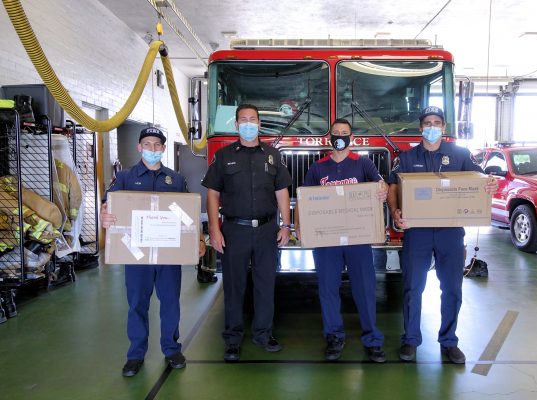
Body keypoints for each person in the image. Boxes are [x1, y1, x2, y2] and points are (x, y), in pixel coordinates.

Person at [386, 106, 498, 364]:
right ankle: (411, 340)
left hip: (450, 232)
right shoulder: (406, 157)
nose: (432, 126)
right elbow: (392, 187)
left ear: (444, 127)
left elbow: (480, 180)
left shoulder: (460, 155)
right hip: (417, 233)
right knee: (413, 287)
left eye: (437, 122)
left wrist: (490, 182)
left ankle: (449, 342)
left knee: (452, 288)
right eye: (428, 122)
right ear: (421, 127)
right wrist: (395, 211)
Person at [100, 127, 206, 377]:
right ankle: (135, 354)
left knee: (170, 302)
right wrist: (105, 215)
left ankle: (171, 349)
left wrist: (199, 239)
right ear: (140, 148)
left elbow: (188, 214)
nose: (152, 149)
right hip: (136, 254)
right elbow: (109, 204)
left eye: (157, 145)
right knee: (137, 303)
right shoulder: (125, 177)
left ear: (163, 149)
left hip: (169, 254)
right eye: (147, 144)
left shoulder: (175, 179)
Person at [202, 104, 292, 362]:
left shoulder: (273, 156)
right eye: (244, 120)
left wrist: (285, 224)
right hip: (234, 230)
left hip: (266, 230)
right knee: (233, 286)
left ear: (260, 124)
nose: (249, 123)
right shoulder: (223, 156)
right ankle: (232, 339)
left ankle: (263, 334)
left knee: (265, 285)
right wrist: (214, 229)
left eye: (253, 119)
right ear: (236, 125)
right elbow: (212, 193)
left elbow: (282, 191)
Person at [296, 118, 388, 363]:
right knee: (328, 290)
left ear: (351, 137)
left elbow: (380, 187)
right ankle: (334, 337)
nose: (340, 136)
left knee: (365, 288)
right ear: (330, 137)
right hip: (327, 240)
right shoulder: (318, 168)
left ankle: (372, 339)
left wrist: (382, 189)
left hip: (358, 239)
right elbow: (305, 201)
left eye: (344, 133)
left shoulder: (364, 163)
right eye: (335, 133)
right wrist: (301, 228)